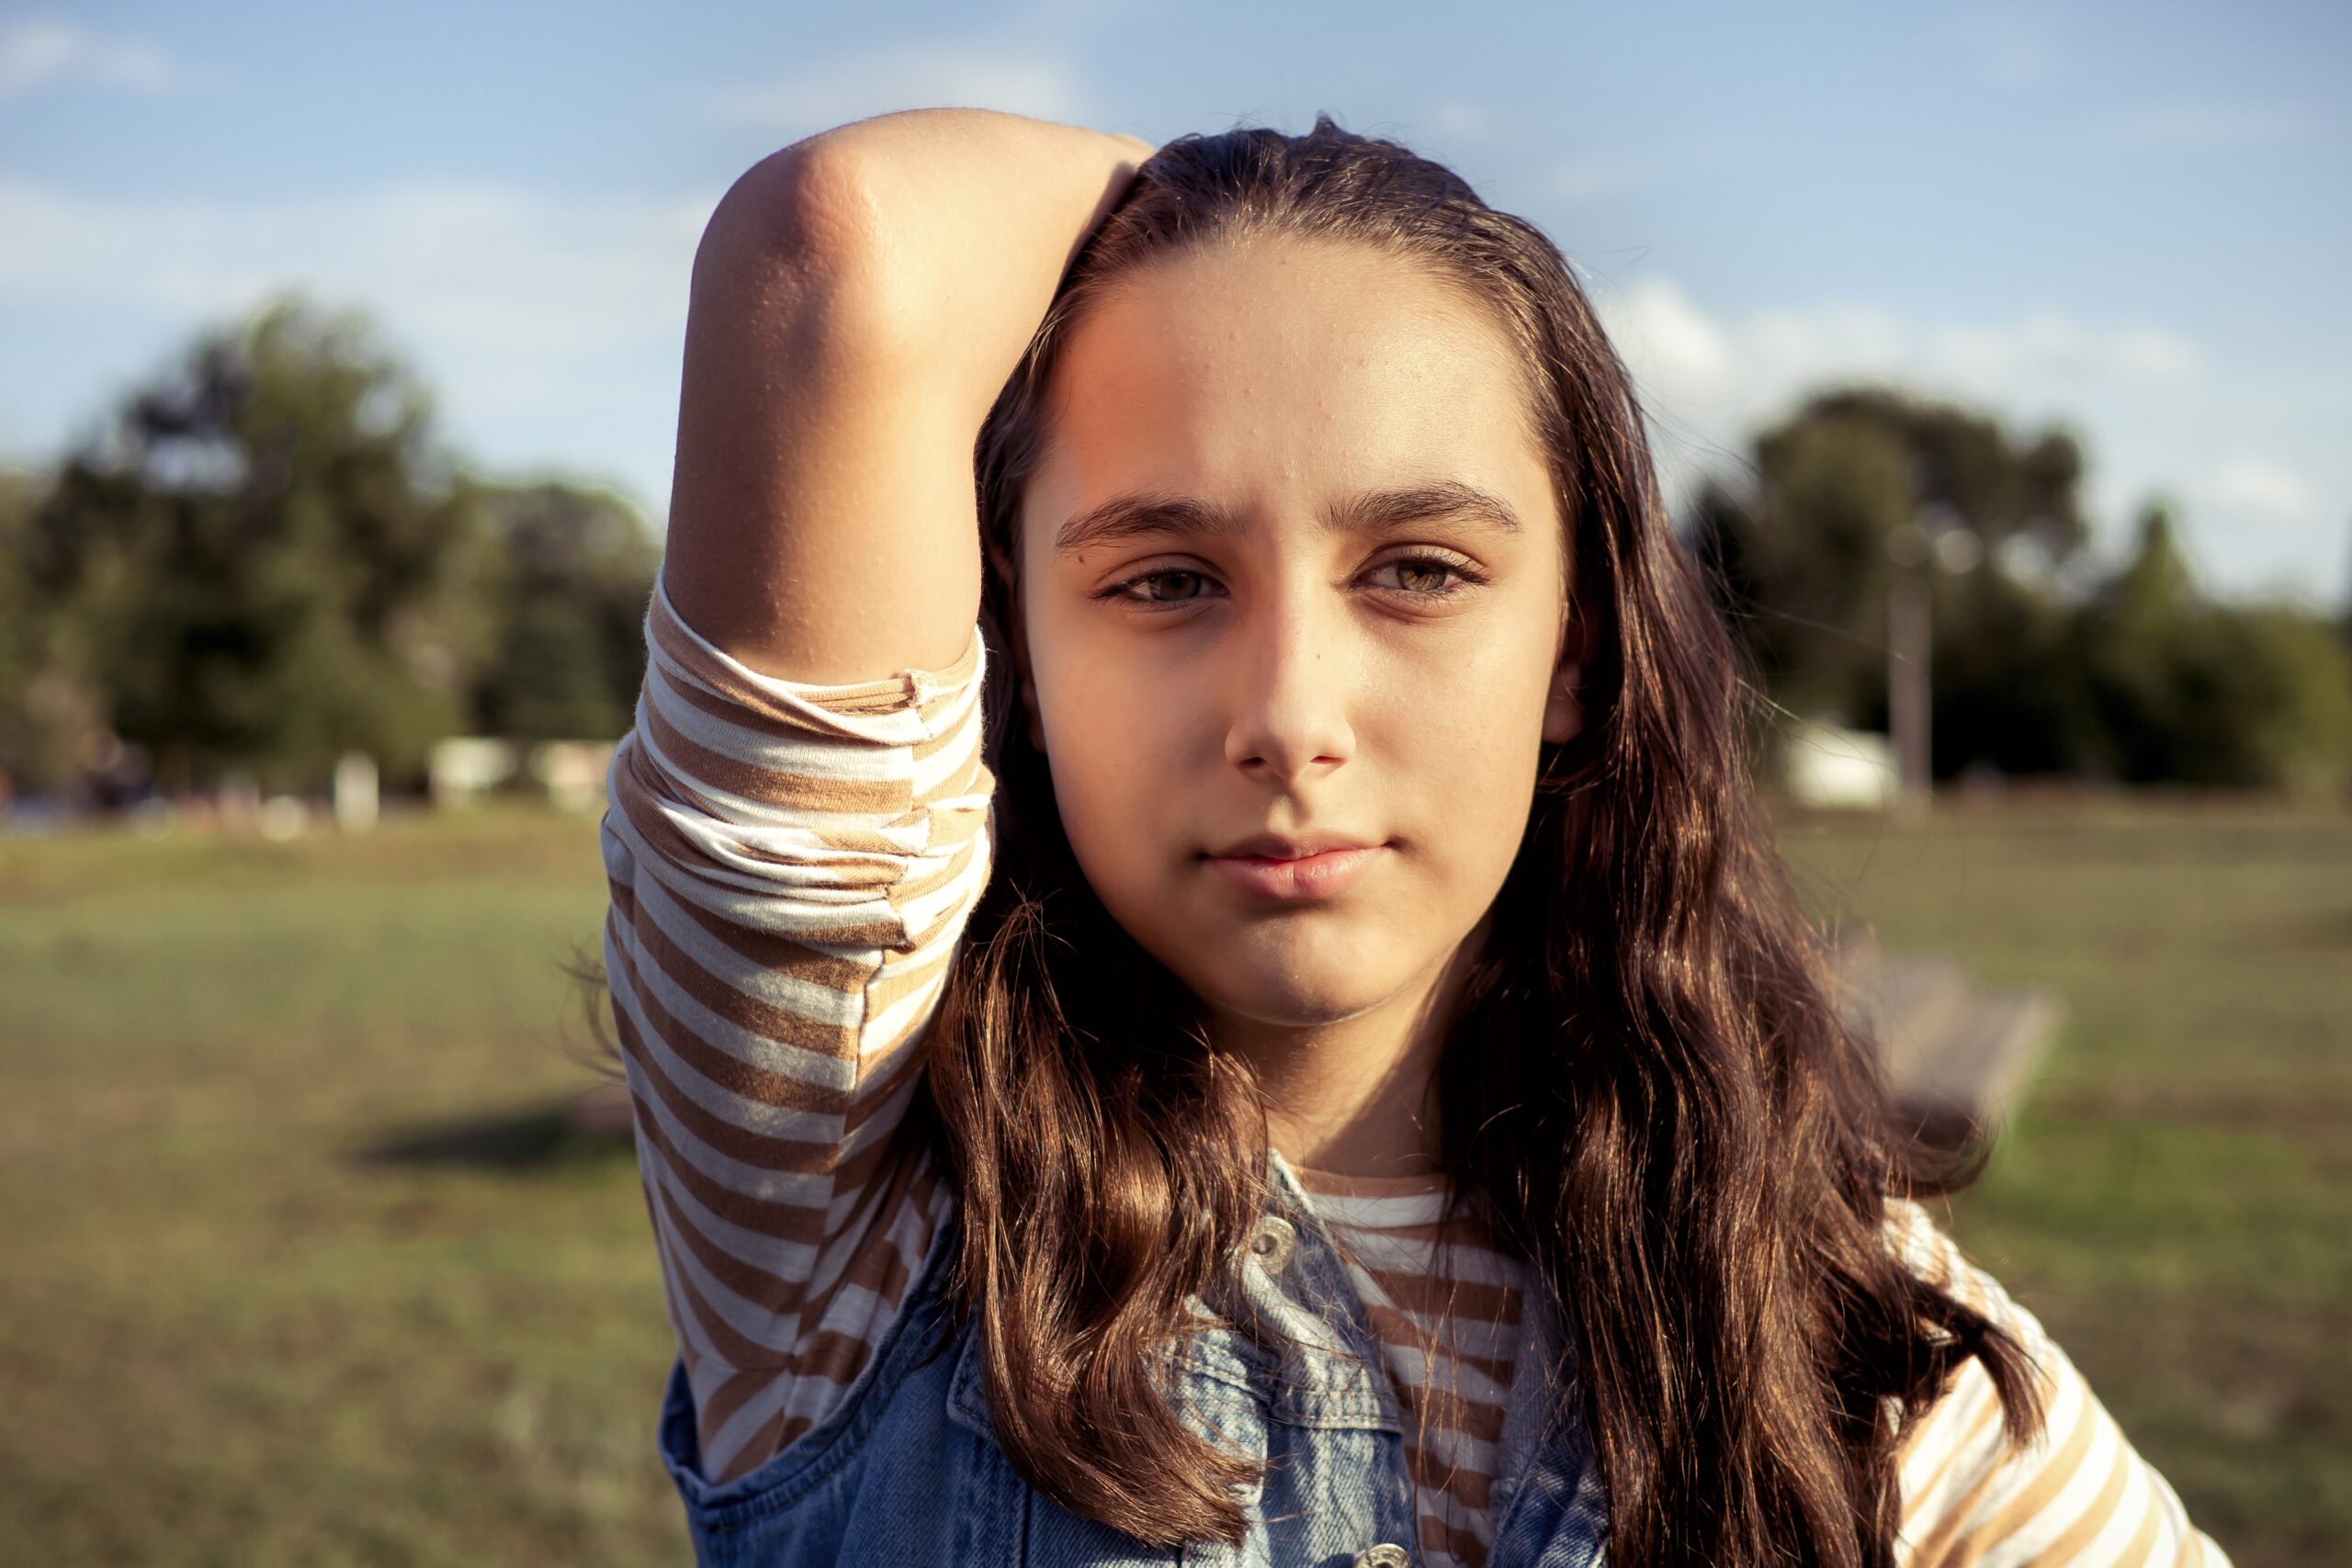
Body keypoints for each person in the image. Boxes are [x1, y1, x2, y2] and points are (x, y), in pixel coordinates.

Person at [598, 107, 2228, 1568]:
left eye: (1419, 570)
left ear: (1576, 655)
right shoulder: (847, 1189)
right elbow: (839, 249)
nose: (1291, 713)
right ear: (1013, 655)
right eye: (1163, 578)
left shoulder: (1820, 1311)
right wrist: (1203, 205)